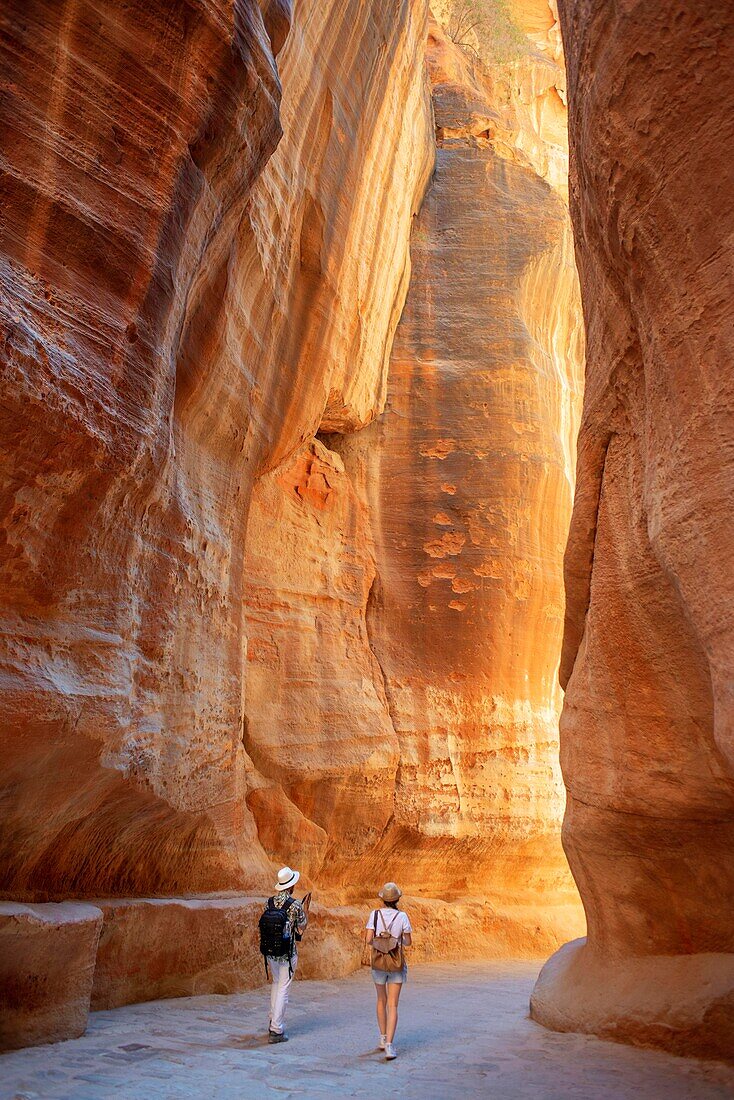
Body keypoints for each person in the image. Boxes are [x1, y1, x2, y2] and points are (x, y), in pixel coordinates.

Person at [259, 866, 309, 1043]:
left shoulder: (269, 902)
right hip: (287, 952)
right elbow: (301, 926)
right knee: (283, 988)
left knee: (276, 983)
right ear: (291, 886)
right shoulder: (295, 905)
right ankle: (276, 1029)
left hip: (271, 951)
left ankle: (273, 1019)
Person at [364, 882, 412, 1061]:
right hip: (395, 963)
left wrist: (381, 941)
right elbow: (407, 942)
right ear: (397, 899)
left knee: (380, 1000)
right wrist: (394, 940)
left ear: (382, 899)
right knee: (392, 1004)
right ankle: (390, 1045)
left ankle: (382, 1038)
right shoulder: (402, 917)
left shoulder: (374, 915)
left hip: (378, 962)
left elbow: (369, 939)